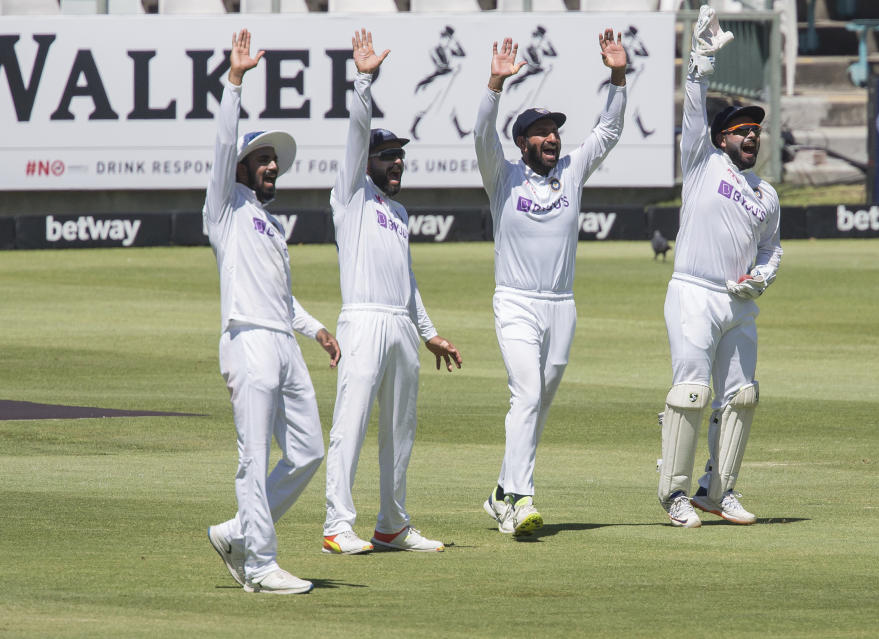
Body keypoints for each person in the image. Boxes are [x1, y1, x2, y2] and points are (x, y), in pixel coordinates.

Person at [204, 29, 340, 594]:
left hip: (281, 340)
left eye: (272, 162)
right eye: (259, 160)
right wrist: (234, 81)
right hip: (248, 340)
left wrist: (314, 329)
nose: (269, 168)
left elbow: (281, 297)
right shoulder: (224, 207)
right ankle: (259, 565)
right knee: (254, 458)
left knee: (309, 451)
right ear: (239, 168)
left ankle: (239, 532)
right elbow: (221, 143)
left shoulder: (269, 222)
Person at [475, 31, 626, 536]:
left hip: (562, 306)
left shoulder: (572, 171)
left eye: (555, 131)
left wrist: (618, 78)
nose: (552, 138)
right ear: (522, 143)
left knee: (537, 406)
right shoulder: (503, 177)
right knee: (527, 394)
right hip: (515, 302)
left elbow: (607, 133)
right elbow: (481, 136)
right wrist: (495, 85)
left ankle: (499, 491)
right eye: (540, 132)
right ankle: (521, 500)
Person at [322, 29, 462, 555]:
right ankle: (337, 525)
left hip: (401, 327)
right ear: (367, 164)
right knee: (351, 425)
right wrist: (363, 81)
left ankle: (392, 525)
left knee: (399, 432)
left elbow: (407, 282)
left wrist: (428, 333)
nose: (396, 162)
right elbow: (357, 136)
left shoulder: (399, 212)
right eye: (387, 157)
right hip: (362, 321)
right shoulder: (349, 197)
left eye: (400, 156)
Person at [657, 6, 782, 528]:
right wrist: (700, 61)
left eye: (755, 130)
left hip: (739, 302)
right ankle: (674, 494)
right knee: (691, 392)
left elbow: (771, 248)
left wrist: (761, 278)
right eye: (740, 130)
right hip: (693, 291)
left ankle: (718, 490)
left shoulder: (767, 194)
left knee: (742, 396)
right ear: (721, 137)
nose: (750, 136)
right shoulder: (702, 164)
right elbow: (692, 110)